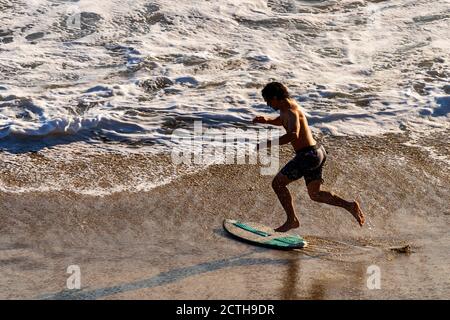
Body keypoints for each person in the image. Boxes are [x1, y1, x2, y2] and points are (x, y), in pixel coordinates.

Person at [253, 82, 365, 232]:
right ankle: (349, 205)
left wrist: (268, 143)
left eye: (268, 101)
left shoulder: (290, 111)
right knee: (315, 194)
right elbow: (283, 121)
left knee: (278, 184)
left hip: (307, 155)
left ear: (275, 97)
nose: (267, 104)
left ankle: (291, 220)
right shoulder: (288, 107)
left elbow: (294, 134)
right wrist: (267, 120)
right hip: (317, 152)